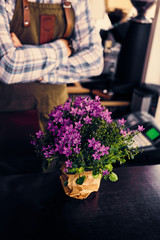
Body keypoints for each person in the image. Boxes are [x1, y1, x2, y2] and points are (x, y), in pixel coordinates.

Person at [0, 0, 104, 131]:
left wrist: (35, 72)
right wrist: (66, 47)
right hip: (8, 118)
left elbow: (95, 62)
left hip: (57, 119)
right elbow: (7, 68)